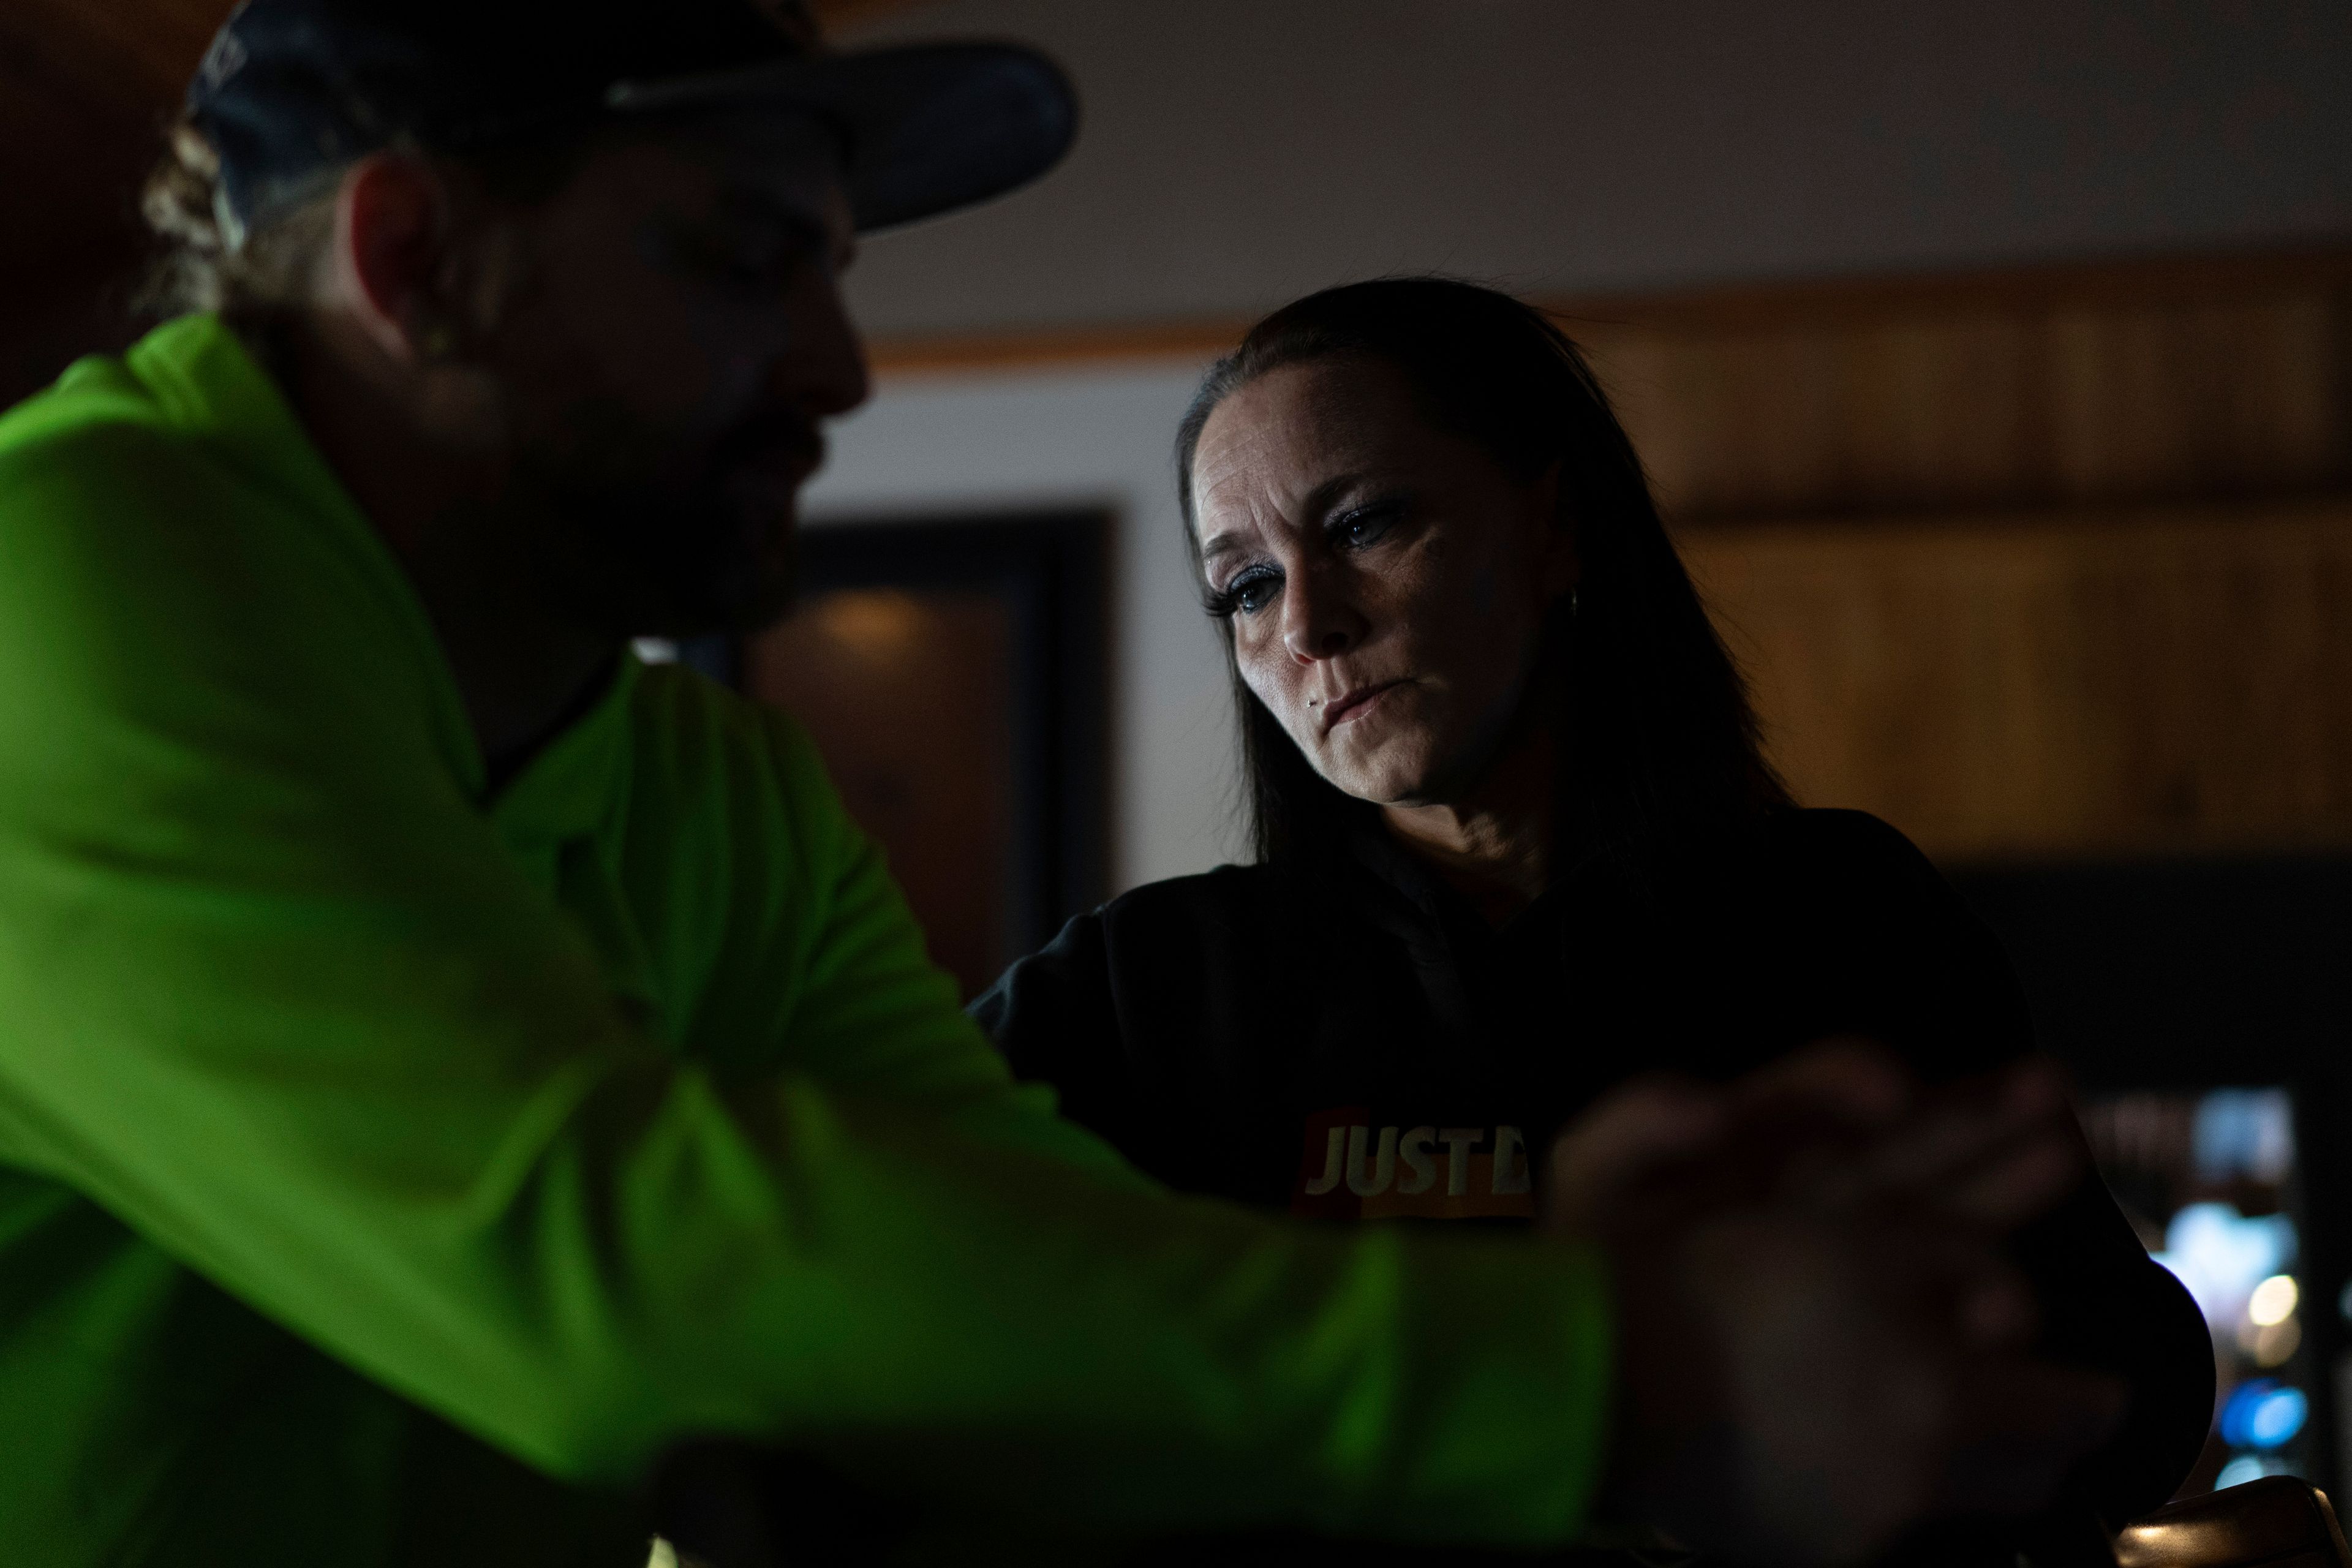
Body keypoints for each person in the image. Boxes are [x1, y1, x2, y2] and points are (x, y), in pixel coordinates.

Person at [0, 4, 2131, 1564]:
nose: (839, 364)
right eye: (748, 257)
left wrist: (1547, 1299)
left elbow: (1003, 1263)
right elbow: (615, 1266)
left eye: (837, 269)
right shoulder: (61, 567)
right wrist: (1602, 1369)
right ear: (411, 259)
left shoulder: (709, 790)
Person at [974, 279, 2216, 1560]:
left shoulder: (1838, 909)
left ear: (1554, 525)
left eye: (1364, 521)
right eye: (1243, 586)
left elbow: (2130, 1380)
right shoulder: (1141, 986)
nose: (1308, 620)